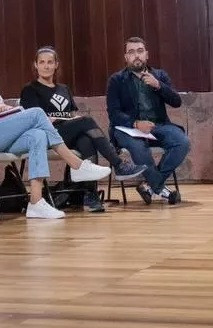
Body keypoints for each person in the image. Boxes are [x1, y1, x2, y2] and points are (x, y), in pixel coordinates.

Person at [0, 32, 110, 220]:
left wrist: (7, 111)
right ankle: (76, 164)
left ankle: (36, 202)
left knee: (38, 135)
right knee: (37, 113)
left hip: (0, 132)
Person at [18, 46, 147, 213]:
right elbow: (34, 120)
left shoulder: (63, 89)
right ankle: (118, 164)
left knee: (87, 140)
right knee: (86, 121)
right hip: (45, 136)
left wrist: (71, 120)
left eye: (50, 62)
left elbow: (71, 114)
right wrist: (62, 119)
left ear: (56, 65)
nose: (46, 66)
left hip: (65, 134)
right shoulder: (30, 89)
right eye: (41, 62)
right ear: (35, 65)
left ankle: (90, 194)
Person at [106, 37, 191, 205]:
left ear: (146, 55)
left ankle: (149, 185)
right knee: (139, 147)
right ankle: (161, 190)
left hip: (158, 126)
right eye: (131, 52)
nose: (136, 55)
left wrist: (158, 85)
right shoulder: (116, 80)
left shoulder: (159, 75)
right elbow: (114, 114)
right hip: (127, 129)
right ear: (126, 57)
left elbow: (176, 102)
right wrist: (136, 124)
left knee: (182, 142)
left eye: (139, 51)